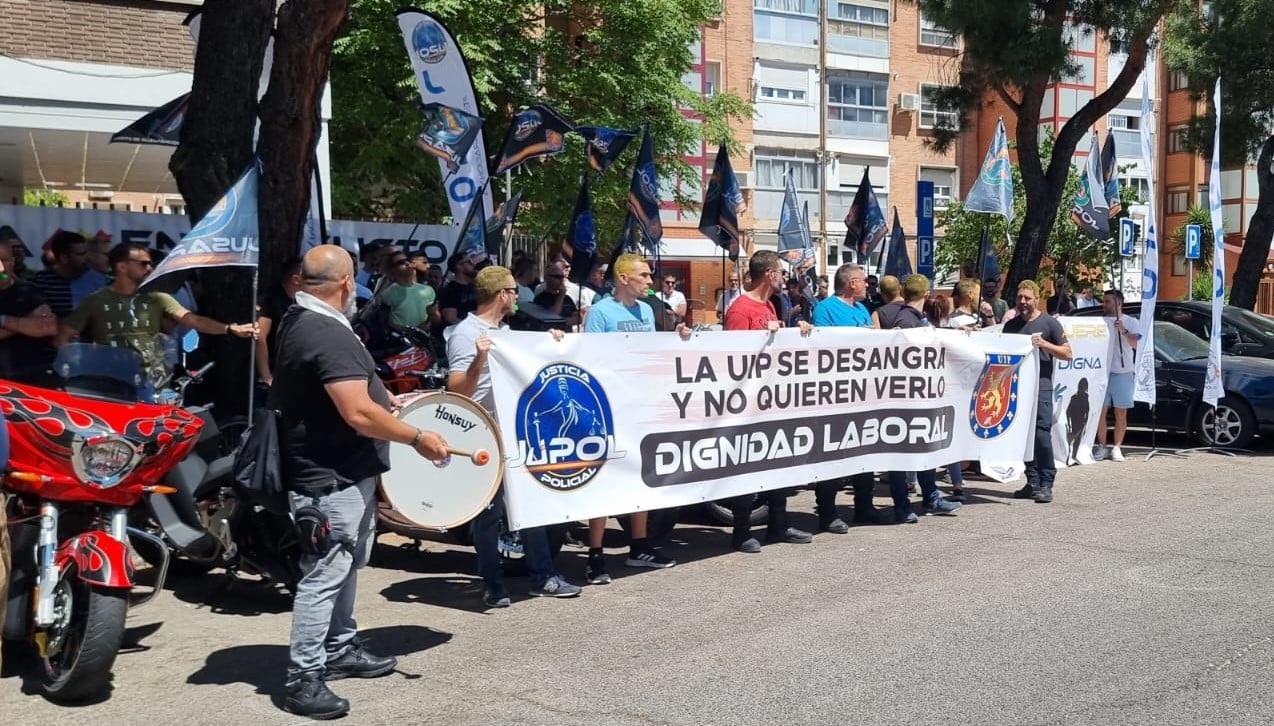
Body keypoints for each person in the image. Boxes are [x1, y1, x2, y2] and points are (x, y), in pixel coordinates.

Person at [271, 246, 449, 719]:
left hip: (343, 470)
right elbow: (356, 411)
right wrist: (417, 437)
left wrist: (383, 393)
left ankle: (340, 647)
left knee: (345, 566)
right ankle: (303, 677)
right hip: (329, 476)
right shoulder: (323, 329)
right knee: (324, 574)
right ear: (347, 283)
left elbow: (350, 388)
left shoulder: (301, 318)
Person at [447, 265, 582, 605]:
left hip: (513, 429)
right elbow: (457, 390)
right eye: (513, 292)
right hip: (482, 429)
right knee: (489, 511)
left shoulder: (506, 330)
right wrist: (479, 359)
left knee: (532, 501)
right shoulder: (466, 333)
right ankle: (492, 583)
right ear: (502, 294)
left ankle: (542, 575)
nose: (517, 298)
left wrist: (550, 345)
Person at [580, 253, 685, 582]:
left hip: (639, 404)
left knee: (640, 475)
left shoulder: (646, 310)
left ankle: (639, 545)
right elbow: (589, 357)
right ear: (623, 278)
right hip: (609, 406)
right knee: (604, 479)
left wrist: (677, 335)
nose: (650, 281)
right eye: (643, 275)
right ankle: (594, 554)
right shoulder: (600, 312)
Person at [57, 242, 257, 387]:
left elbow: (192, 319)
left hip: (150, 382)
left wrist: (229, 328)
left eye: (150, 263)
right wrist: (72, 369)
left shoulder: (158, 298)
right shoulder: (96, 300)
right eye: (143, 263)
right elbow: (65, 333)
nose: (150, 268)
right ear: (122, 267)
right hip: (110, 382)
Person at [722, 250, 814, 552]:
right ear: (768, 274)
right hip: (749, 403)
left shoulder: (772, 306)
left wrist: (794, 333)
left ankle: (778, 524)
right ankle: (741, 530)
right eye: (779, 272)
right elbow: (732, 357)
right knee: (748, 469)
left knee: (777, 465)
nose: (783, 277)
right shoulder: (740, 309)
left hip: (774, 399)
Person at [875, 275, 963, 520]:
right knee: (901, 454)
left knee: (924, 447)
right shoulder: (907, 320)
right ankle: (903, 506)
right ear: (926, 294)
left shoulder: (912, 317)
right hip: (904, 397)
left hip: (915, 394)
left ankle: (930, 497)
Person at [811, 263, 887, 529]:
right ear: (851, 283)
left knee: (865, 451)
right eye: (863, 280)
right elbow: (821, 347)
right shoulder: (825, 309)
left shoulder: (862, 309)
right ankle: (827, 511)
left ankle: (864, 506)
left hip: (864, 394)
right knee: (833, 453)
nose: (867, 285)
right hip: (836, 394)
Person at [1003, 280, 1073, 503]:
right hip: (1017, 388)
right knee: (1023, 437)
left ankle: (1046, 482)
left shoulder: (1050, 324)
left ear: (1036, 299)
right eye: (1019, 298)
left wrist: (1044, 344)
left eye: (1027, 298)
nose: (1022, 302)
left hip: (1041, 387)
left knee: (1042, 435)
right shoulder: (1011, 325)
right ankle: (1031, 480)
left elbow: (1067, 353)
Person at [0, 241, 58, 382]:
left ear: (12, 262)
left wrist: (2, 320)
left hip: (34, 378)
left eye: (4, 260)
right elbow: (38, 325)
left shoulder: (30, 291)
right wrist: (28, 322)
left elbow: (49, 326)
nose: (0, 268)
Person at [1093, 289, 1140, 462]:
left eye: (1107, 302)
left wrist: (1124, 331)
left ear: (1119, 303)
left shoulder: (1131, 321)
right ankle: (1101, 446)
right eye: (1104, 301)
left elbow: (1136, 343)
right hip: (1102, 373)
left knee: (1121, 413)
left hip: (1123, 372)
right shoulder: (1100, 321)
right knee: (1100, 412)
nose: (1103, 305)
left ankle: (1117, 447)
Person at [30, 230, 108, 318]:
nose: (87, 258)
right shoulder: (39, 282)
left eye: (86, 253)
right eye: (81, 254)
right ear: (64, 258)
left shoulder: (98, 281)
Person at [256, 257, 304, 387]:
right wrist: (266, 375)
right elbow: (259, 336)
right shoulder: (271, 298)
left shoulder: (298, 300)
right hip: (271, 368)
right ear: (296, 279)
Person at [376, 249, 439, 329]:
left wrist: (433, 314)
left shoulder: (428, 290)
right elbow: (384, 325)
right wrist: (413, 330)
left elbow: (437, 321)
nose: (407, 263)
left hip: (423, 340)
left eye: (407, 260)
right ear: (392, 269)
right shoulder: (387, 293)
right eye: (401, 262)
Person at [533, 261, 580, 328]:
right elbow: (552, 318)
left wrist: (563, 321)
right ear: (547, 278)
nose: (561, 280)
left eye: (562, 277)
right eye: (557, 277)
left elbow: (578, 318)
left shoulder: (567, 298)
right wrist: (561, 296)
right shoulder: (539, 299)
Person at [439, 251, 479, 326]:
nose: (473, 264)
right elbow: (450, 319)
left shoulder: (476, 287)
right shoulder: (450, 290)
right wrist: (475, 327)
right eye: (469, 262)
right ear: (459, 266)